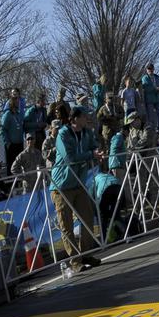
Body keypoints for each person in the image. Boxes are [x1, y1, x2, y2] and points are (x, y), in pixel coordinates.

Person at [51, 109, 104, 272]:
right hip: (61, 185)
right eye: (83, 116)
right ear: (74, 119)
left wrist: (98, 152)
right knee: (66, 224)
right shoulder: (63, 134)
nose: (86, 118)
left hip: (78, 183)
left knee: (87, 217)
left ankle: (86, 253)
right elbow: (70, 157)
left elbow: (95, 146)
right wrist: (90, 155)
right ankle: (75, 261)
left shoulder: (87, 132)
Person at [0, 91, 24, 176]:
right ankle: (10, 185)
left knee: (19, 165)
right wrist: (8, 142)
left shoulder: (18, 114)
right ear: (12, 103)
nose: (18, 102)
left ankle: (18, 183)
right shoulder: (7, 114)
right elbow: (2, 129)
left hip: (19, 143)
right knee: (11, 165)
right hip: (11, 145)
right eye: (16, 101)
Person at [141, 63, 159, 130]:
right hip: (149, 100)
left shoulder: (157, 77)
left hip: (157, 99)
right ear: (146, 70)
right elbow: (146, 88)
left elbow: (158, 86)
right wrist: (156, 89)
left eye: (151, 68)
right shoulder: (145, 78)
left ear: (153, 69)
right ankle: (152, 129)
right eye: (149, 68)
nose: (150, 70)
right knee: (151, 116)